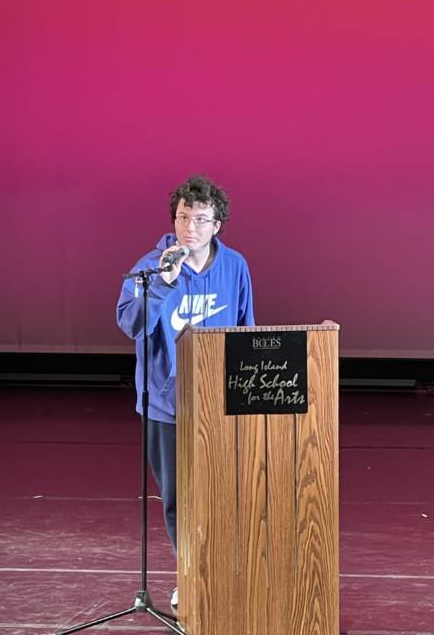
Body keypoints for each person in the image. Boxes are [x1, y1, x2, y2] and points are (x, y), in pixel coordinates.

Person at [116, 174, 255, 612]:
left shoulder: (235, 266)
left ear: (217, 225)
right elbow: (132, 325)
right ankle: (189, 576)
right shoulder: (151, 267)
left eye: (200, 219)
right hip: (166, 404)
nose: (189, 227)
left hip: (220, 402)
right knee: (178, 498)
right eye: (182, 217)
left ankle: (226, 572)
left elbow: (245, 329)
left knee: (224, 494)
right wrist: (164, 282)